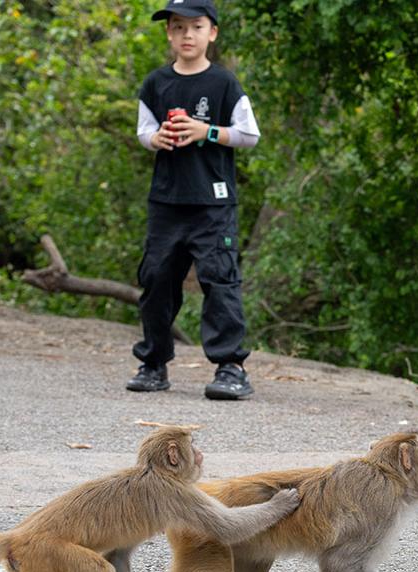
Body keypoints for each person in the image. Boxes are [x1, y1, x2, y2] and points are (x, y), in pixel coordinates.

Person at [127, 0, 260, 400]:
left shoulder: (224, 84)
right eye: (179, 27)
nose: (188, 35)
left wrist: (207, 131)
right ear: (169, 33)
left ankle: (230, 368)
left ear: (212, 33)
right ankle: (153, 364)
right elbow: (143, 131)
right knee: (155, 279)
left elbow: (249, 135)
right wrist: (157, 139)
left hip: (213, 202)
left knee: (219, 280)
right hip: (166, 201)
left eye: (196, 27)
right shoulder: (155, 83)